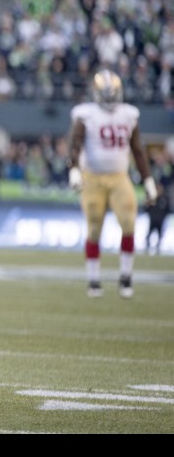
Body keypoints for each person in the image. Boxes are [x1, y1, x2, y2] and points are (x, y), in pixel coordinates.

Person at [67, 69, 157, 298]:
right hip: (92, 177)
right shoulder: (86, 114)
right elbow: (75, 143)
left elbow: (138, 149)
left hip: (119, 176)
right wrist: (74, 169)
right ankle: (93, 279)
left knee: (129, 222)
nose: (108, 98)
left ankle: (126, 275)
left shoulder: (128, 114)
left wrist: (148, 179)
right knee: (94, 227)